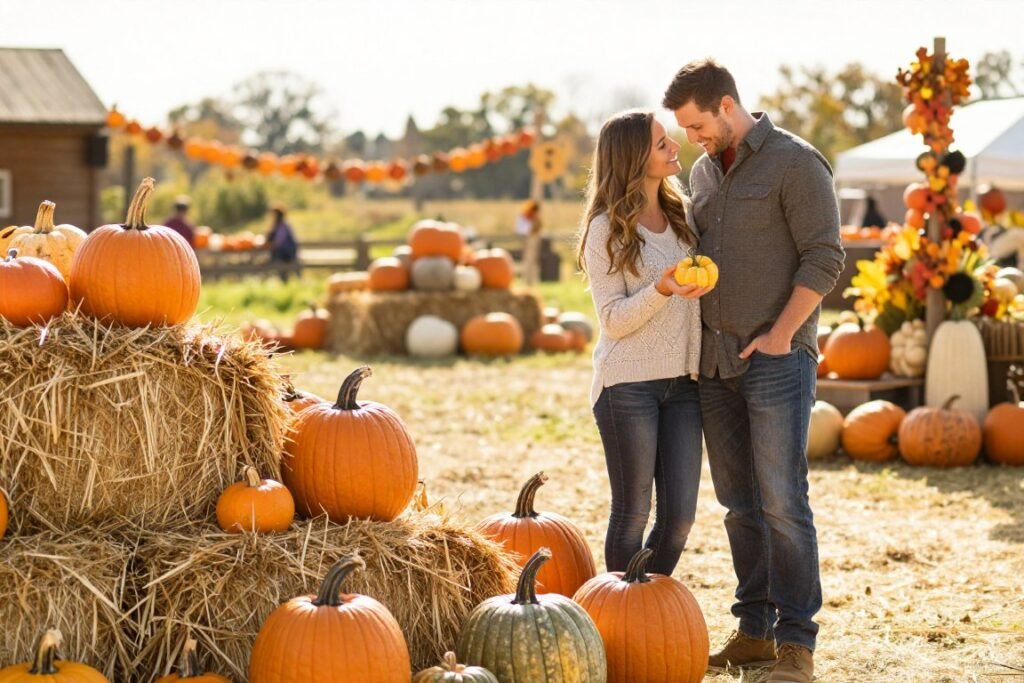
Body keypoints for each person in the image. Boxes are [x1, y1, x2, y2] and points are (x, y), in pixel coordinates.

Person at [663, 59, 845, 682]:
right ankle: (754, 631)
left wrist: (781, 334)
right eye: (685, 130)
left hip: (776, 359)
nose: (692, 138)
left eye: (697, 125)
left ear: (727, 105)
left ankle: (798, 641)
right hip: (714, 361)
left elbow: (826, 257)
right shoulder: (703, 173)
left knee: (782, 501)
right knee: (739, 504)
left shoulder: (797, 162)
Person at [577, 110, 711, 579]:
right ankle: (619, 617)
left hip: (684, 382)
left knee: (679, 519)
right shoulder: (605, 229)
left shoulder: (682, 213)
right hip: (627, 385)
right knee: (632, 513)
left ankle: (648, 606)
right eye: (661, 143)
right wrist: (662, 289)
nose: (675, 145)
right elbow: (612, 320)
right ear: (635, 158)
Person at [265, 202, 299, 280]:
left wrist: (269, 245)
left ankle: (283, 280)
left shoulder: (283, 226)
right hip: (282, 253)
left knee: (274, 260)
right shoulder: (276, 226)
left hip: (287, 254)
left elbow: (279, 242)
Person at [518, 199, 543, 285]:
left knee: (533, 262)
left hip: (533, 241)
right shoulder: (523, 217)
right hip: (526, 241)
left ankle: (532, 280)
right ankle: (526, 280)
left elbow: (537, 230)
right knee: (527, 261)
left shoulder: (537, 219)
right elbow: (521, 230)